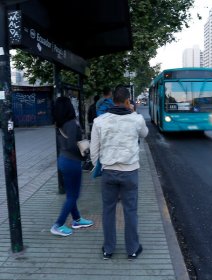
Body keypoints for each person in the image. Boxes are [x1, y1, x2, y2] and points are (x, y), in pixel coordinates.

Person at [90, 85, 148, 260]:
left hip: (109, 172)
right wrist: (133, 112)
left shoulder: (100, 121)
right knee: (130, 211)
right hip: (130, 172)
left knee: (108, 211)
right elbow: (144, 134)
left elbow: (94, 150)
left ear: (112, 100)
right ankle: (132, 249)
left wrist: (99, 168)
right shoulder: (136, 119)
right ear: (127, 100)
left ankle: (108, 250)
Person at [51, 96, 94, 237]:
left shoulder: (59, 123)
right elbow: (71, 145)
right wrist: (84, 152)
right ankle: (58, 224)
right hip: (72, 162)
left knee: (71, 195)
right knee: (73, 196)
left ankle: (77, 220)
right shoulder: (71, 123)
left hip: (64, 160)